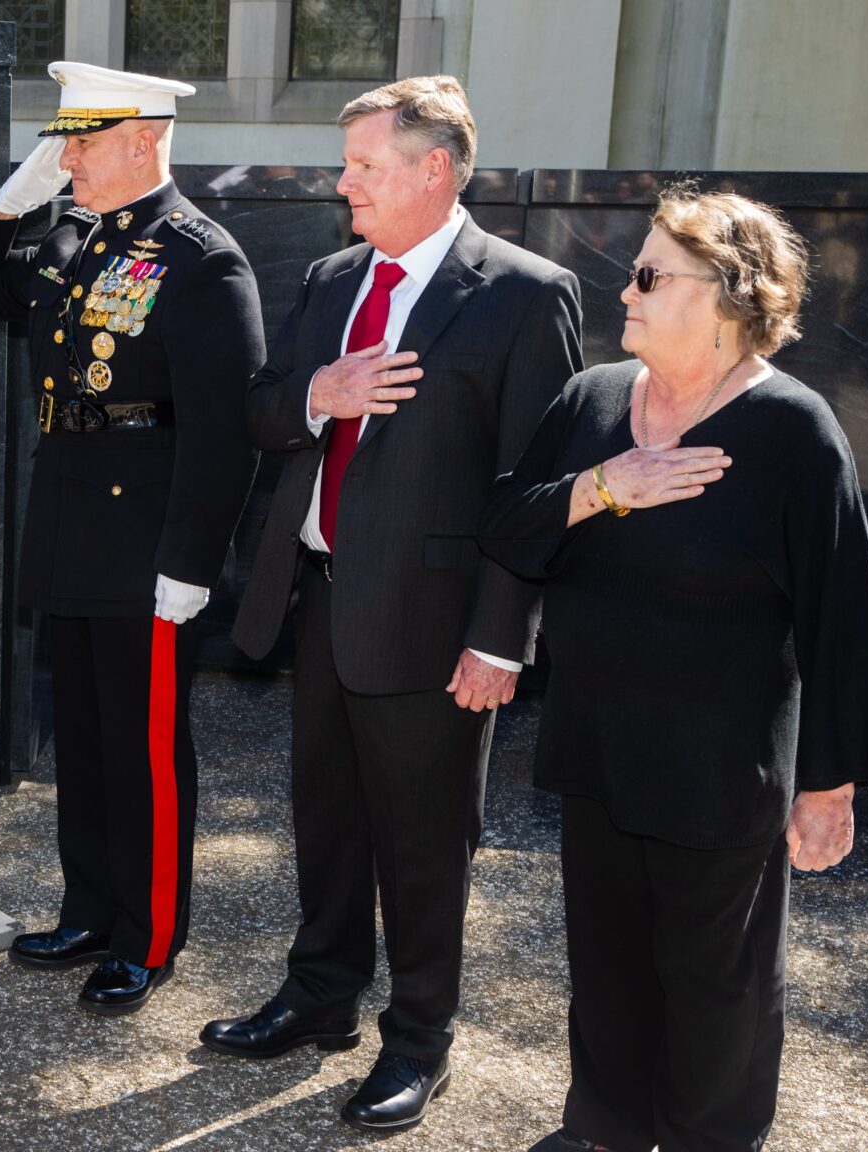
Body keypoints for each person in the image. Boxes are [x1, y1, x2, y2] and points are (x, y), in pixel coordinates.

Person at [203, 75, 583, 1132]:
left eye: (365, 166)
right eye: (346, 164)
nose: (343, 183)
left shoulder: (520, 293)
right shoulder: (330, 278)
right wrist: (317, 396)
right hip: (318, 600)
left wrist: (499, 642)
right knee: (323, 821)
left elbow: (530, 490)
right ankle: (319, 997)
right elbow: (264, 411)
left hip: (434, 624)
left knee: (421, 843)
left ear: (433, 169)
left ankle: (418, 1039)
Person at [480, 187, 868, 1152]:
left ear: (729, 297)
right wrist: (598, 489)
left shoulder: (793, 431)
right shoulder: (591, 401)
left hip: (719, 766)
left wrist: (829, 785)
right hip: (598, 746)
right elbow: (507, 525)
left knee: (717, 984)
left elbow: (843, 621)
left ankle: (710, 1137)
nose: (627, 288)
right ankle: (607, 1128)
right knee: (608, 963)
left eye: (653, 274)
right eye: (635, 268)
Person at [0, 60, 261, 1015]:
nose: (65, 157)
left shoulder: (202, 259)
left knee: (145, 747)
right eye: (63, 141)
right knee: (81, 737)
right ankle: (89, 907)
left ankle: (149, 934)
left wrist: (191, 564)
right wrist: (9, 208)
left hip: (148, 537)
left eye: (81, 142)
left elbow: (227, 429)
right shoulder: (74, 236)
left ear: (144, 139)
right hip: (74, 514)